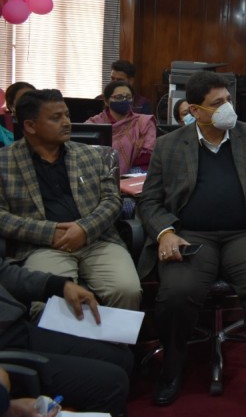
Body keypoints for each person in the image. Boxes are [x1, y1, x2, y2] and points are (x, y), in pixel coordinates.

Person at [137, 70, 246, 413]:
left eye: (228, 100)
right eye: (217, 103)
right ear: (194, 110)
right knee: (176, 293)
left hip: (244, 233)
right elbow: (149, 201)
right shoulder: (169, 144)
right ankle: (172, 370)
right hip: (192, 235)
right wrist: (166, 231)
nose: (227, 108)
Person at [0, 89, 141, 312]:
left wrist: (84, 229)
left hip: (97, 240)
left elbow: (112, 200)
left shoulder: (92, 155)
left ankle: (115, 346)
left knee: (127, 290)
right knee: (46, 303)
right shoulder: (4, 162)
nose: (66, 122)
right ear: (30, 126)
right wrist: (49, 232)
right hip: (43, 246)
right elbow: (2, 217)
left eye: (66, 115)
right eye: (56, 118)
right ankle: (60, 348)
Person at [0, 257, 132, 416]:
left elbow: (4, 273)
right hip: (5, 352)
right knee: (114, 383)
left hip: (15, 326)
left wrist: (61, 286)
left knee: (121, 356)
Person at [86, 80, 156, 175]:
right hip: (99, 173)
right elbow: (86, 155)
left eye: (128, 97)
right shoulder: (94, 124)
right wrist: (133, 150)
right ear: (106, 101)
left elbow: (148, 155)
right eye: (118, 97)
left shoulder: (143, 122)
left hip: (135, 174)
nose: (124, 100)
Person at [1, 82, 35, 148]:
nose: (29, 103)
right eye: (23, 99)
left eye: (33, 99)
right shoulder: (3, 125)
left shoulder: (44, 122)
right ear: (11, 105)